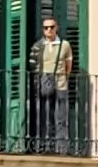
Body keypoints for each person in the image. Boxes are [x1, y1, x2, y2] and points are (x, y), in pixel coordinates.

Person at [27, 14, 75, 151]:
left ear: (56, 28)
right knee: (45, 115)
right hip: (43, 83)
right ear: (43, 30)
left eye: (51, 27)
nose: (49, 30)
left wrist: (64, 77)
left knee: (61, 117)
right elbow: (33, 64)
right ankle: (45, 145)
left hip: (60, 84)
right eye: (46, 27)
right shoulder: (38, 45)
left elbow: (68, 64)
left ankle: (61, 148)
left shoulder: (65, 45)